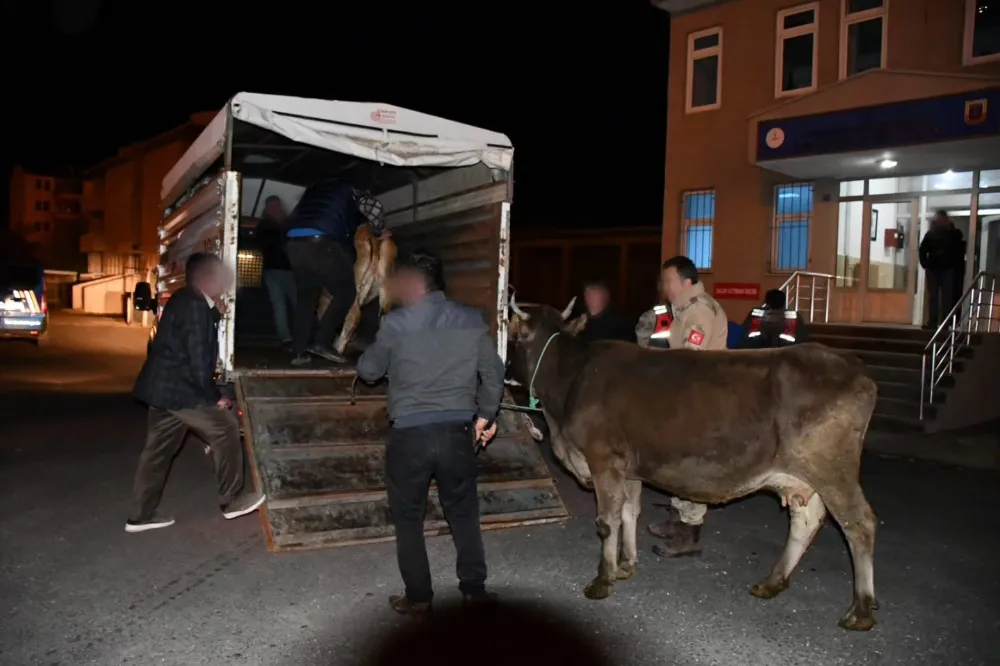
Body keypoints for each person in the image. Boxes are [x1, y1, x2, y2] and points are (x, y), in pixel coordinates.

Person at [356, 249, 505, 618]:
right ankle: (474, 590)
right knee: (464, 513)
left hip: (410, 437)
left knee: (408, 518)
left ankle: (419, 598)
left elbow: (370, 371)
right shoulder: (471, 319)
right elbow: (493, 372)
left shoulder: (396, 323)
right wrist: (486, 415)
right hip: (457, 433)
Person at [127, 253, 265, 533]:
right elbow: (198, 359)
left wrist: (215, 312)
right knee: (226, 428)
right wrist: (215, 397)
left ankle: (140, 516)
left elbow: (190, 335)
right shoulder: (195, 308)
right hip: (180, 391)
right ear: (207, 278)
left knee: (157, 453)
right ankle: (232, 500)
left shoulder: (185, 299)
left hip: (162, 390)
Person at [646, 255, 728, 558]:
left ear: (687, 282)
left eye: (669, 281)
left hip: (698, 400)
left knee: (690, 464)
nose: (665, 287)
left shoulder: (699, 312)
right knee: (677, 462)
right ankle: (678, 518)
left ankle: (690, 533)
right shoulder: (684, 311)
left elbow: (690, 361)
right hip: (685, 397)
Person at [284, 180, 388, 365]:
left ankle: (299, 352)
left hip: (294, 243)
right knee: (346, 292)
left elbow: (293, 215)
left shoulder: (312, 192)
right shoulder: (352, 191)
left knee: (307, 297)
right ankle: (321, 342)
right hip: (322, 241)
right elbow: (373, 208)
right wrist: (379, 231)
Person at [256, 195, 296, 348]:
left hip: (289, 269)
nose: (275, 209)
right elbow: (267, 245)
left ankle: (300, 334)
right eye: (272, 207)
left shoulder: (289, 224)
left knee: (297, 303)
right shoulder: (265, 226)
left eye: (276, 206)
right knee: (279, 305)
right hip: (273, 270)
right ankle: (286, 337)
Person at [919, 210, 965, 328]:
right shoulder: (931, 234)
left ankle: (945, 322)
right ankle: (933, 322)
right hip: (935, 269)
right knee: (934, 297)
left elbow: (959, 245)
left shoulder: (952, 233)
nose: (939, 221)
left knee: (946, 298)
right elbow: (922, 250)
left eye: (941, 219)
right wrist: (925, 264)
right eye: (938, 219)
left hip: (947, 269)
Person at [738, 288, 808, 349]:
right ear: (784, 302)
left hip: (756, 352)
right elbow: (801, 338)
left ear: (766, 302)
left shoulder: (755, 313)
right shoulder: (794, 315)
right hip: (787, 352)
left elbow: (743, 333)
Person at [577, 279, 636, 343]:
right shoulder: (578, 321)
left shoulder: (620, 323)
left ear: (605, 296)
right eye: (587, 294)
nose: (590, 298)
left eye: (595, 294)